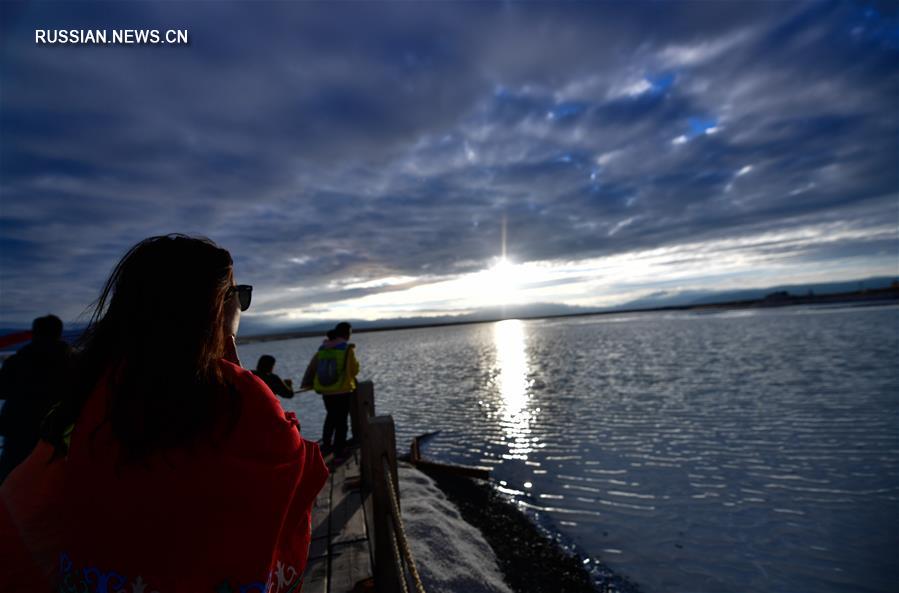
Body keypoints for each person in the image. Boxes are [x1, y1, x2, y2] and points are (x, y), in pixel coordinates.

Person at [0, 234, 328, 591]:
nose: (241, 307)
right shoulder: (237, 397)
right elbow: (292, 467)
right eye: (238, 295)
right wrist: (238, 375)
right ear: (215, 305)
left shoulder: (95, 392)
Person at [0, 314, 72, 483]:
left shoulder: (17, 362)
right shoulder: (74, 362)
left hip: (18, 431)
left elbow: (2, 389)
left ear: (34, 333)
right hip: (59, 433)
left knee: (11, 480)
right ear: (59, 333)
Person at [301, 322, 359, 457]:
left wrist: (307, 383)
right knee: (342, 422)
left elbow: (312, 367)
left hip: (326, 391)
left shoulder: (323, 349)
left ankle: (326, 446)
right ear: (346, 334)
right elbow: (354, 370)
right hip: (342, 391)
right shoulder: (347, 349)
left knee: (331, 417)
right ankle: (339, 450)